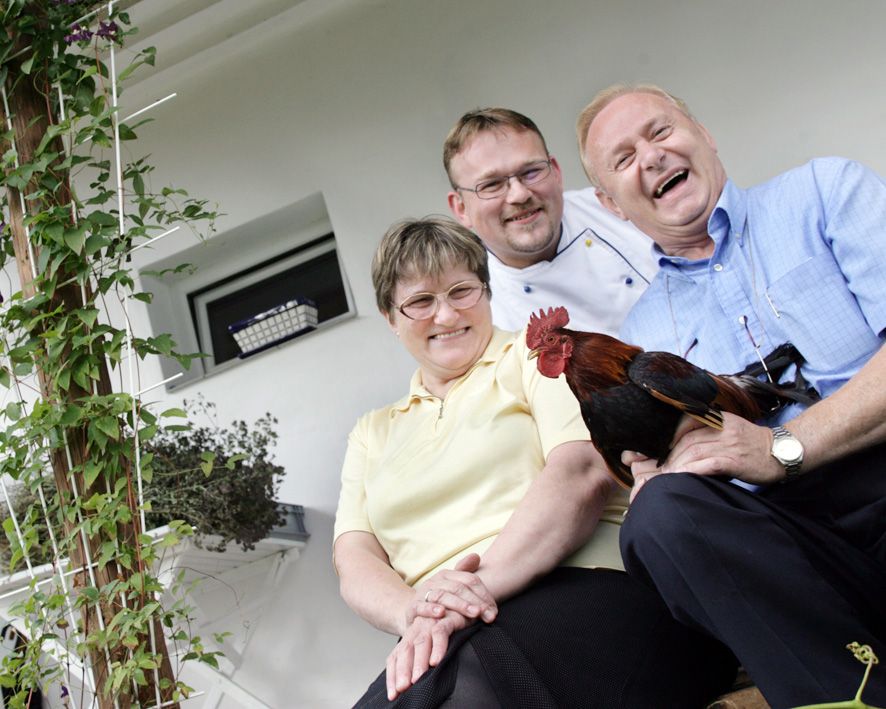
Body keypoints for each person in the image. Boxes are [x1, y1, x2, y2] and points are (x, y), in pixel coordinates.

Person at [333, 217, 737, 707]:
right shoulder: (371, 432)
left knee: (473, 692)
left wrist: (472, 593)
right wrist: (415, 614)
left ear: (485, 291)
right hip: (441, 630)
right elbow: (354, 558)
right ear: (389, 317)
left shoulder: (540, 356)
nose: (445, 315)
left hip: (582, 586)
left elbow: (581, 471)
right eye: (420, 301)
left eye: (461, 291)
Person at [576, 83, 886, 709]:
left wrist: (784, 446)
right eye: (624, 157)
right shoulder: (638, 336)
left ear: (704, 135)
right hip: (788, 546)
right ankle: (850, 696)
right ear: (611, 204)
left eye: (659, 132)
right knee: (659, 517)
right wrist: (655, 479)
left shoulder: (825, 192)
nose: (652, 156)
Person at [443, 108, 657, 335]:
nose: (519, 194)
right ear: (461, 208)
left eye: (531, 172)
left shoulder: (621, 207)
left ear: (555, 172)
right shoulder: (479, 314)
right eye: (491, 185)